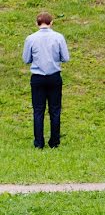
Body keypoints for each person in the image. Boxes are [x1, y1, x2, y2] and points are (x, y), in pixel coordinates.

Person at [22, 12, 70, 149]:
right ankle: (54, 142)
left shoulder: (30, 39)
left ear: (36, 24)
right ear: (51, 22)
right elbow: (65, 57)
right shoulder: (58, 37)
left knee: (38, 110)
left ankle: (39, 143)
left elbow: (26, 59)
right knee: (55, 110)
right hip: (54, 76)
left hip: (37, 78)